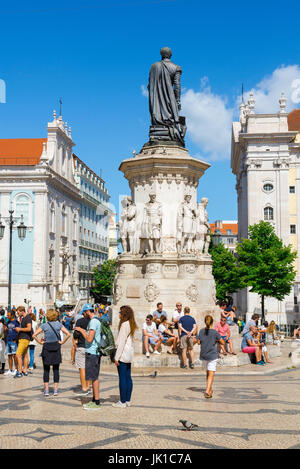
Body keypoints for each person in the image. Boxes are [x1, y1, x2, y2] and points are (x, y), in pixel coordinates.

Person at [33, 309, 70, 396]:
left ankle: (46, 390)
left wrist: (40, 342)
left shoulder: (44, 325)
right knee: (56, 370)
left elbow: (34, 335)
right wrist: (62, 342)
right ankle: (55, 390)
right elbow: (68, 334)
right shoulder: (59, 325)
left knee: (46, 370)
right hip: (56, 347)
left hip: (46, 348)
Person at [74, 304, 102, 410]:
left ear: (87, 311)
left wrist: (81, 330)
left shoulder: (94, 322)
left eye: (83, 313)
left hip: (93, 352)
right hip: (93, 352)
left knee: (94, 378)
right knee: (93, 377)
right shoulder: (95, 320)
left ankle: (97, 402)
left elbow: (89, 339)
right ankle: (94, 400)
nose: (83, 315)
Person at [112, 305, 137, 408]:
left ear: (124, 314)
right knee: (128, 377)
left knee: (122, 378)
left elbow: (121, 342)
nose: (118, 314)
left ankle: (122, 401)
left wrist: (116, 357)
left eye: (120, 312)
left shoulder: (124, 325)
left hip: (123, 354)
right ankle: (127, 400)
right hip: (129, 354)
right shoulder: (131, 324)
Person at [197, 315, 225, 398]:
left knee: (208, 372)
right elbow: (222, 342)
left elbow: (198, 342)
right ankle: (207, 391)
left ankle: (209, 389)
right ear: (212, 322)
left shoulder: (201, 331)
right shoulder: (215, 332)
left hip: (204, 355)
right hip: (212, 355)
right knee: (211, 373)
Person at [72, 308, 91, 396]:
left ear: (84, 312)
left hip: (81, 346)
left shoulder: (80, 321)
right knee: (89, 368)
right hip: (91, 347)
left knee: (82, 368)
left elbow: (75, 334)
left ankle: (84, 388)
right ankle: (88, 386)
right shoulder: (94, 321)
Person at [14, 305, 32, 378]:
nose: (17, 314)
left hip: (24, 339)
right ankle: (25, 370)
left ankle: (20, 371)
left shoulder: (27, 318)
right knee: (25, 355)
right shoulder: (24, 318)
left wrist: (19, 329)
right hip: (23, 338)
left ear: (22, 311)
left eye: (18, 312)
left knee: (18, 354)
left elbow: (29, 329)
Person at [4, 311, 20, 376]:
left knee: (14, 355)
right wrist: (6, 329)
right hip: (8, 340)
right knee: (9, 355)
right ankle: (10, 370)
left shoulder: (16, 322)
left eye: (8, 315)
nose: (7, 316)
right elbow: (8, 330)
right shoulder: (8, 322)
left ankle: (16, 369)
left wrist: (16, 340)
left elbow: (19, 331)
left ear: (12, 315)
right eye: (7, 315)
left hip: (14, 341)